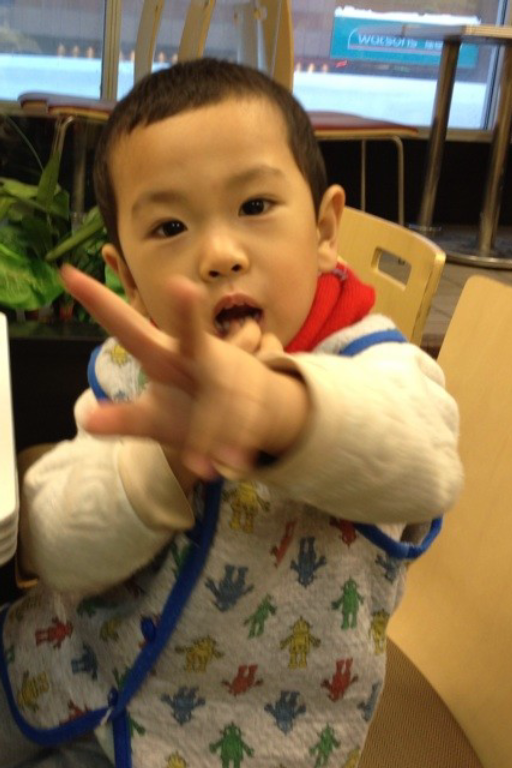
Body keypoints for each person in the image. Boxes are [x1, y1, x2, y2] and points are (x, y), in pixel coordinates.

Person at [0, 59, 462, 768]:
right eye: (171, 225)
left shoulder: (377, 364)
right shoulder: (135, 367)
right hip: (62, 674)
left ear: (324, 230)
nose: (219, 254)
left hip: (239, 739)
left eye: (254, 206)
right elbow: (56, 548)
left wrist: (278, 409)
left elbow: (426, 461)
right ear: (127, 278)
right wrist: (159, 463)